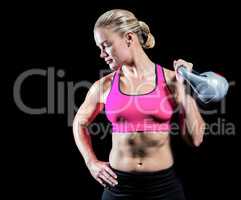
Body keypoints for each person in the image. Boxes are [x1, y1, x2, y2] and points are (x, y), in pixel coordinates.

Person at [72, 9, 205, 200]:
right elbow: (80, 122)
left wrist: (183, 88)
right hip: (118, 187)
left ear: (128, 38)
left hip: (164, 189)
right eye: (99, 48)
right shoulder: (104, 85)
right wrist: (90, 162)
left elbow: (196, 139)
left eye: (106, 45)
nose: (102, 54)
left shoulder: (171, 80)